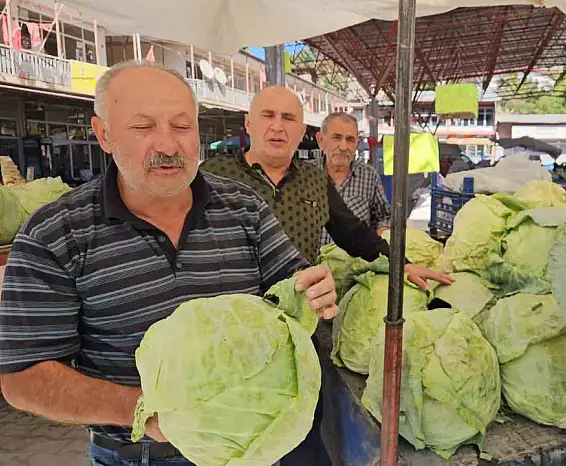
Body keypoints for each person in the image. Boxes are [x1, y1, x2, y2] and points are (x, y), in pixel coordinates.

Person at [0, 62, 337, 466]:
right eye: (143, 127)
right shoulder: (55, 234)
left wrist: (314, 289)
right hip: (136, 456)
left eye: (182, 126)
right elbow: (23, 377)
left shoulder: (245, 209)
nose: (168, 144)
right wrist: (146, 410)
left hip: (250, 450)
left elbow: (292, 289)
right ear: (104, 134)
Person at [200, 86, 451, 290]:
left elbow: (355, 234)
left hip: (297, 313)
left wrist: (401, 266)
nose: (277, 126)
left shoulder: (314, 179)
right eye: (268, 115)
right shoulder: (212, 175)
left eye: (288, 118)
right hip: (232, 317)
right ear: (248, 123)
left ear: (300, 131)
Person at [313, 112, 391, 240]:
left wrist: (382, 232)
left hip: (354, 259)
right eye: (336, 138)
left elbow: (384, 216)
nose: (343, 147)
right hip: (310, 259)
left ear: (357, 143)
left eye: (350, 140)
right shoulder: (304, 175)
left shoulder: (369, 176)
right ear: (321, 140)